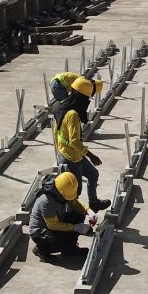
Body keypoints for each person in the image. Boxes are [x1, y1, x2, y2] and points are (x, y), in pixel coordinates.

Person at [54, 77, 111, 210]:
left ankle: (93, 202)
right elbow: (74, 141)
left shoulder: (64, 105)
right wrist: (91, 155)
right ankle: (71, 217)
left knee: (93, 174)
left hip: (72, 154)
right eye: (87, 99)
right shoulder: (73, 114)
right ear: (82, 98)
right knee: (74, 192)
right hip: (71, 157)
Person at [28, 171, 95, 258]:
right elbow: (53, 225)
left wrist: (88, 211)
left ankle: (70, 249)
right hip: (42, 233)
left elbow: (74, 202)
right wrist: (75, 227)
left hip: (55, 223)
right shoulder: (47, 201)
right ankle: (42, 249)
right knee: (64, 241)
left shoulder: (61, 191)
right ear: (61, 192)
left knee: (78, 214)